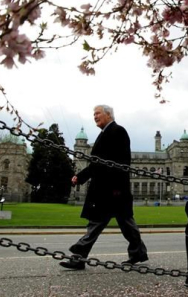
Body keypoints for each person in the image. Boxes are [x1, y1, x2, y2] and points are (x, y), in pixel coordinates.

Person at [59, 104, 148, 270]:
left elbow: (121, 163)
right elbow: (96, 163)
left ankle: (78, 256)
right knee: (125, 225)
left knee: (98, 224)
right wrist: (80, 177)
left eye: (97, 113)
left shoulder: (118, 131)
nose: (95, 116)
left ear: (108, 114)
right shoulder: (104, 134)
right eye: (94, 114)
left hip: (112, 190)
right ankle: (138, 253)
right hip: (108, 190)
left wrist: (115, 188)